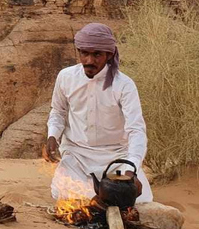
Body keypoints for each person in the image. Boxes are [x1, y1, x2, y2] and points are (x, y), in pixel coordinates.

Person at [44, 22, 153, 203]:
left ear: (108, 55)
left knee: (140, 200)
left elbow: (136, 130)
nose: (89, 61)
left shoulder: (124, 85)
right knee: (64, 195)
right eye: (84, 53)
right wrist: (52, 136)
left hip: (116, 156)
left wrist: (131, 168)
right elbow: (58, 111)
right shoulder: (66, 77)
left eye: (97, 55)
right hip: (77, 155)